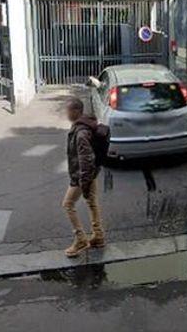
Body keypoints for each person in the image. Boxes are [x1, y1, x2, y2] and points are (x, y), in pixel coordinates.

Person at [63, 97, 105, 257]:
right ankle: (98, 235)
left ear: (76, 111)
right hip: (92, 172)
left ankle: (80, 239)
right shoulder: (86, 124)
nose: (66, 113)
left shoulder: (81, 132)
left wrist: (84, 183)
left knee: (68, 204)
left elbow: (86, 160)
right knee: (91, 202)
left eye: (68, 110)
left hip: (82, 175)